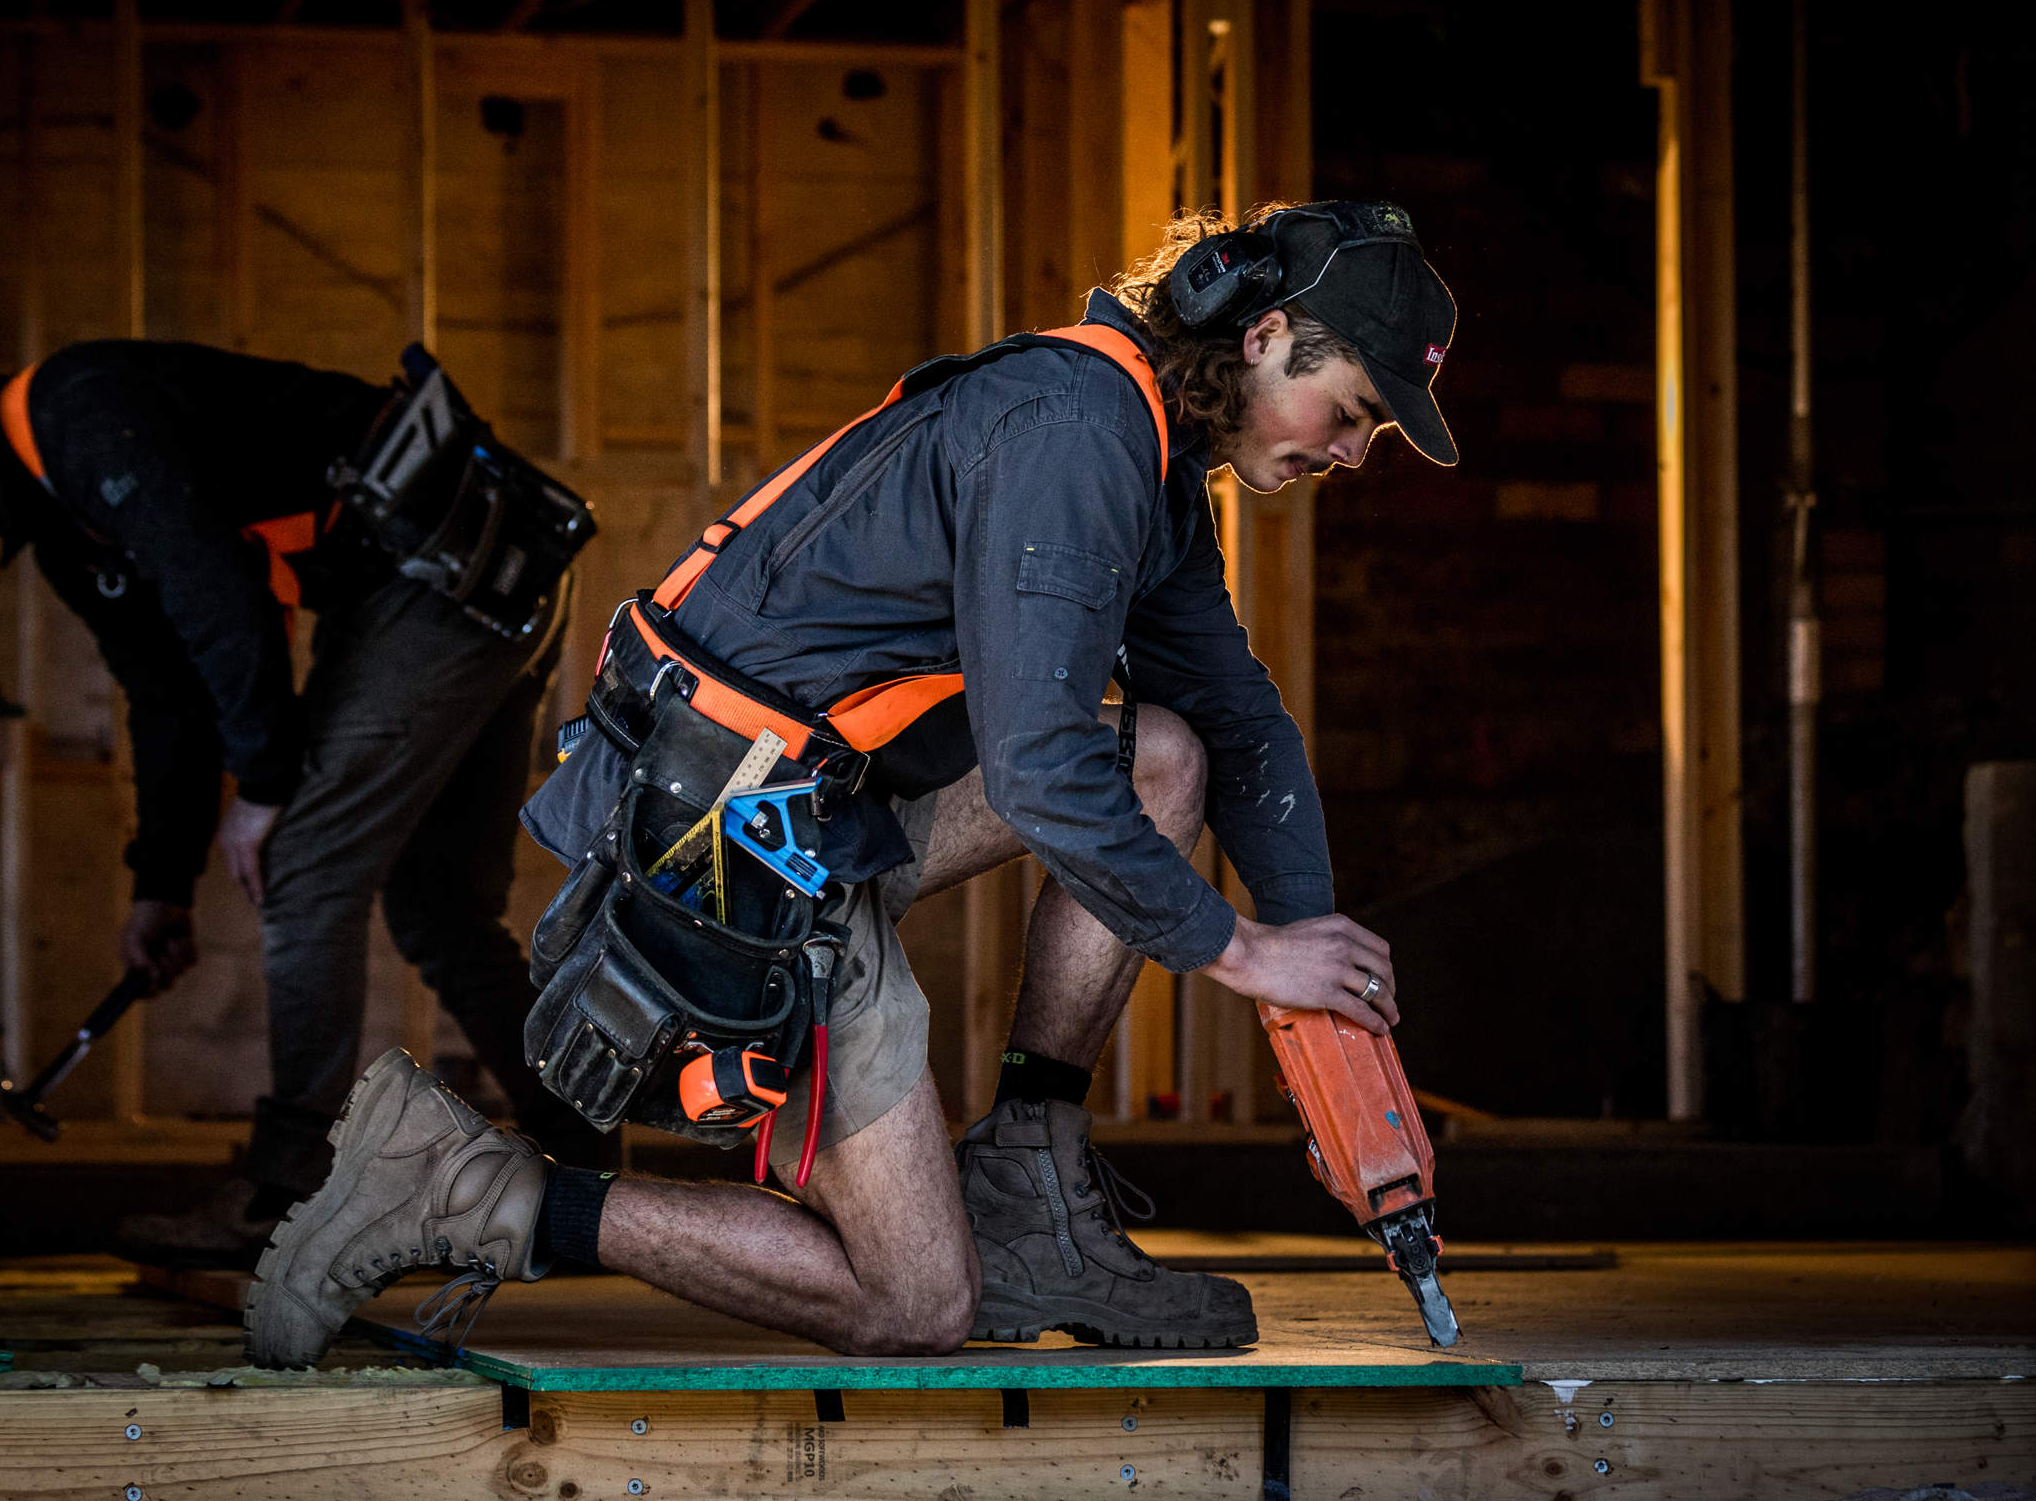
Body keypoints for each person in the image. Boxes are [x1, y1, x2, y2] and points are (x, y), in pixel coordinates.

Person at [245, 201, 1459, 1364]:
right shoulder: (1076, 434)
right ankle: (467, 1184)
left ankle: (1028, 1184)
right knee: (914, 1299)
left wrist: (1321, 970)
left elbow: (1240, 723)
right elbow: (1038, 770)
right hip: (729, 843)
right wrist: (1246, 955)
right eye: (1350, 412)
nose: (1350, 453)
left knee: (1168, 757)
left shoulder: (1148, 454)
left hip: (826, 802)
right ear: (1260, 338)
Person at [0, 340, 612, 1265]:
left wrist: (265, 791)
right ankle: (580, 1149)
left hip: (450, 565)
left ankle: (286, 1194)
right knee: (439, 905)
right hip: (467, 563)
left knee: (303, 866)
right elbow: (167, 694)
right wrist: (163, 885)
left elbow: (223, 603)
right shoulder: (61, 515)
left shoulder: (82, 416)